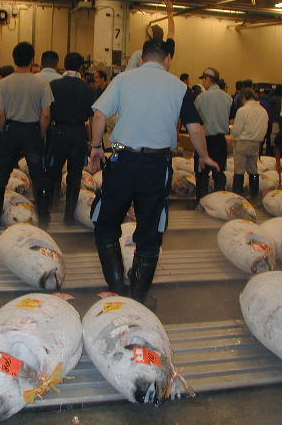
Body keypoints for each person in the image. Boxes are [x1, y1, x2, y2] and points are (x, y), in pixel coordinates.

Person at [88, 39, 217, 304]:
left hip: (122, 158)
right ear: (167, 59)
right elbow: (195, 129)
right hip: (157, 165)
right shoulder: (180, 87)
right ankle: (138, 296)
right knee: (150, 231)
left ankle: (116, 285)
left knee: (106, 223)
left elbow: (99, 115)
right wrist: (203, 156)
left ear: (142, 57)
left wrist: (96, 148)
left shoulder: (123, 79)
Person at [0, 42, 54, 229]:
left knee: (1, 176)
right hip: (32, 131)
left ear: (14, 59)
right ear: (33, 59)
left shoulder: (3, 84)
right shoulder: (42, 84)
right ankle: (44, 218)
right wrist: (40, 133)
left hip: (11, 130)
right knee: (39, 176)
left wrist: (5, 129)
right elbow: (46, 114)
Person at [47, 52, 95, 222]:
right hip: (78, 134)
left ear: (64, 65)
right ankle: (69, 216)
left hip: (58, 132)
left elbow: (48, 113)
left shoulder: (54, 85)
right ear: (81, 67)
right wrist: (93, 142)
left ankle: (51, 208)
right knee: (75, 175)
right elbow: (91, 118)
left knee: (54, 171)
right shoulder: (88, 89)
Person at [193, 67, 231, 205]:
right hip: (221, 140)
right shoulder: (228, 98)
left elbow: (195, 120)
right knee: (219, 173)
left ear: (208, 79)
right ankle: (219, 204)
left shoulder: (201, 97)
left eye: (203, 79)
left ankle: (201, 203)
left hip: (205, 141)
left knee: (202, 174)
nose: (203, 83)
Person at [231, 88, 268, 197]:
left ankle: (237, 194)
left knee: (239, 170)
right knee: (253, 169)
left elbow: (237, 130)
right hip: (257, 143)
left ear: (244, 98)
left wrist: (233, 134)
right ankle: (254, 194)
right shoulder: (263, 110)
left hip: (243, 142)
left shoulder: (243, 110)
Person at [126, 0, 175, 70]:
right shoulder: (166, 53)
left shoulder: (139, 55)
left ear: (148, 38)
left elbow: (128, 74)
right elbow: (171, 33)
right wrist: (170, 14)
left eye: (146, 35)